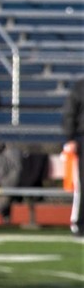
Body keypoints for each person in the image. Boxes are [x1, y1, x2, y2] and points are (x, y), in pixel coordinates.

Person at [62, 78, 84, 237]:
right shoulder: (80, 87)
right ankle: (79, 222)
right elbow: (70, 113)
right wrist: (70, 137)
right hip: (82, 137)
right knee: (82, 183)